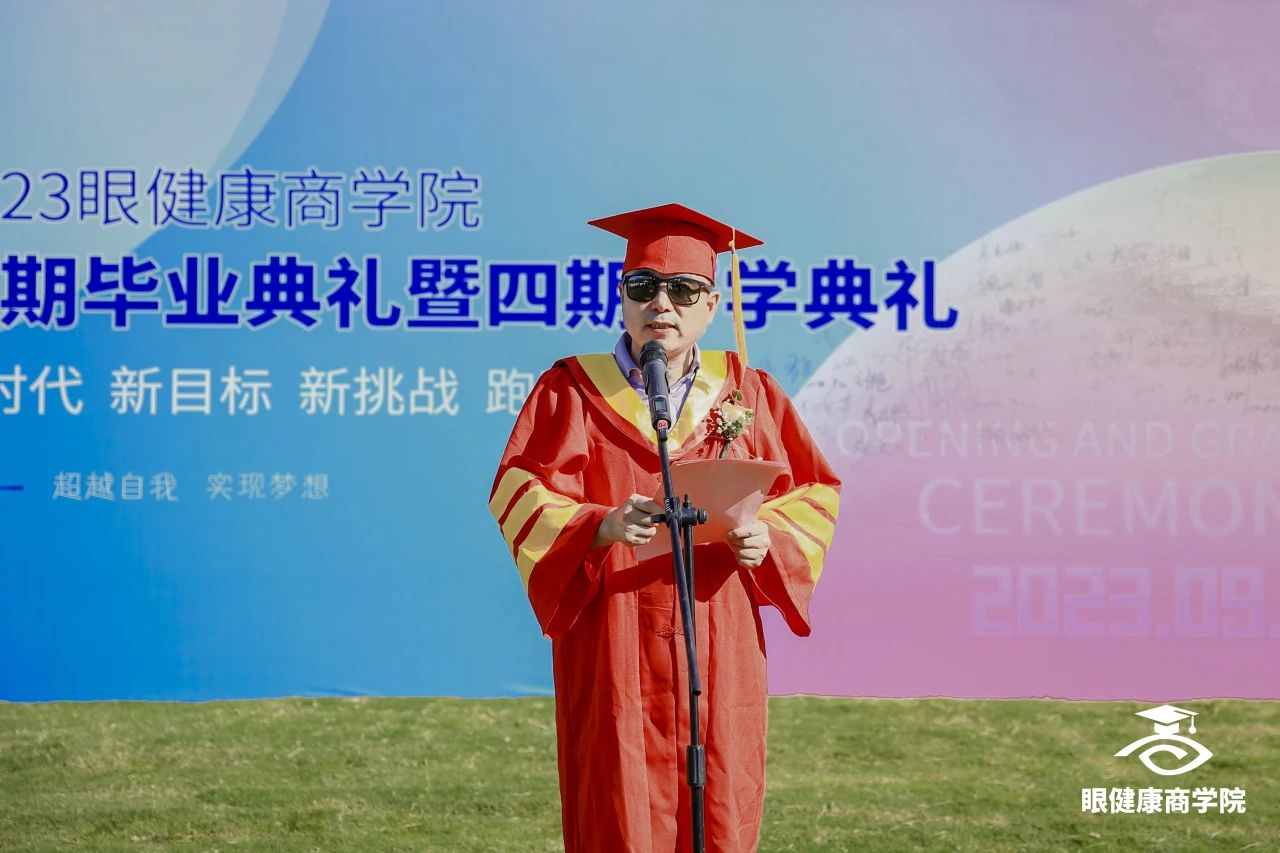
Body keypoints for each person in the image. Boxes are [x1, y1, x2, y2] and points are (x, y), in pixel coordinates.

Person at [488, 203, 841, 852]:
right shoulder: (571, 392)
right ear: (622, 297)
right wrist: (600, 524)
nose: (662, 304)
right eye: (643, 286)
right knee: (617, 800)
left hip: (718, 631)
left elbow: (812, 491)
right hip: (614, 635)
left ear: (712, 306)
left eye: (683, 290)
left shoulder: (748, 393)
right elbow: (520, 489)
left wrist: (767, 537)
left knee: (720, 794)